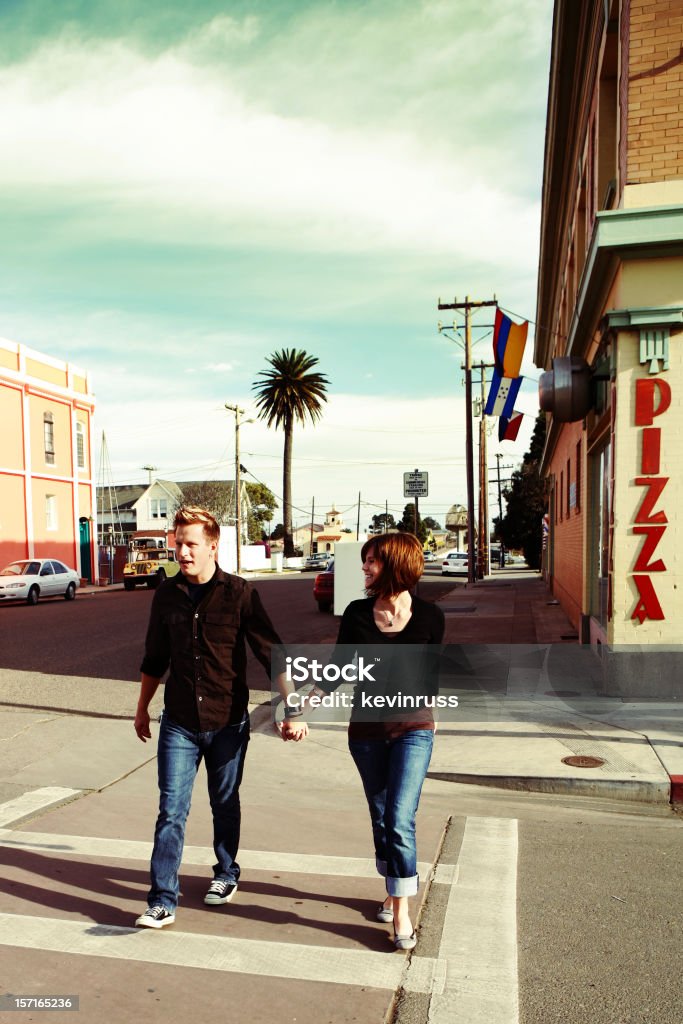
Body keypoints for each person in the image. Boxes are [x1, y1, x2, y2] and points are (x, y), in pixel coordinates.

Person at [133, 505, 306, 929]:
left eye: (191, 544)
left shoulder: (241, 594)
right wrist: (141, 708)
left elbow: (272, 655)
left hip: (228, 721)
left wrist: (292, 708)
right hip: (178, 721)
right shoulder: (166, 595)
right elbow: (154, 658)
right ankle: (162, 899)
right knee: (171, 808)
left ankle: (226, 873)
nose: (182, 553)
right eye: (178, 544)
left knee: (224, 801)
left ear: (213, 546)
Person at [300, 533, 444, 951]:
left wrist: (431, 716)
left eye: (372, 562)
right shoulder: (358, 614)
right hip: (365, 733)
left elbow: (431, 679)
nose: (364, 568)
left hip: (414, 731)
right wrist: (302, 707)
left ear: (396, 565)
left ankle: (401, 911)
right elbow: (338, 669)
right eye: (364, 561)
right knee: (383, 817)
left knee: (400, 818)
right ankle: (393, 885)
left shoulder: (431, 617)